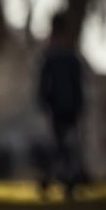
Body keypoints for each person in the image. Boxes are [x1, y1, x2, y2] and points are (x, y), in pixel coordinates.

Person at [37, 12, 87, 200]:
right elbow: (75, 84)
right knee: (64, 146)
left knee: (62, 146)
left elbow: (45, 84)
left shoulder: (53, 56)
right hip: (64, 108)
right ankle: (64, 182)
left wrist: (45, 101)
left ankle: (56, 181)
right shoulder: (64, 56)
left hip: (60, 108)